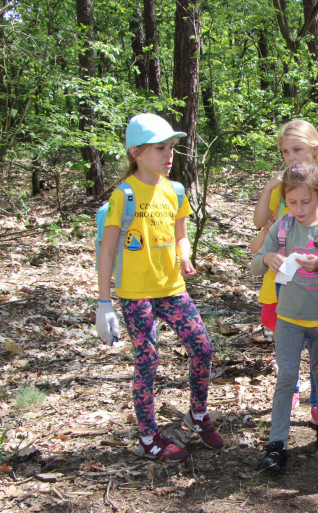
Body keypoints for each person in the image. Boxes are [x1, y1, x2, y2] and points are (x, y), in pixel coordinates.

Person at [96, 113, 224, 461]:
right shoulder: (124, 195)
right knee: (148, 360)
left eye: (171, 147)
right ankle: (148, 435)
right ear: (136, 152)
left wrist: (185, 256)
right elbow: (107, 249)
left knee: (202, 348)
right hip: (136, 293)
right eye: (159, 148)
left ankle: (197, 414)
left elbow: (181, 235)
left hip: (172, 288)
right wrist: (104, 303)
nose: (168, 155)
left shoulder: (174, 189)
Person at [250, 163, 318, 473]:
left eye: (306, 201)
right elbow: (254, 264)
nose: (300, 208)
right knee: (287, 377)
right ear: (285, 200)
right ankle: (277, 443)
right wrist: (267, 257)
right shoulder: (283, 227)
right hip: (289, 316)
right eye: (292, 202)